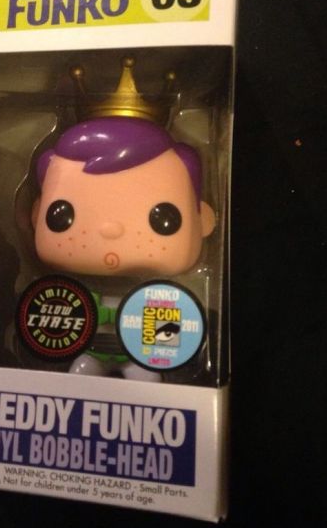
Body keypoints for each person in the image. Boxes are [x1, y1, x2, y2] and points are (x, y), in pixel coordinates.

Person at [32, 114, 214, 379]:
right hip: (89, 352)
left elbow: (173, 329)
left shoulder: (164, 298)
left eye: (162, 218)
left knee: (148, 380)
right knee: (79, 378)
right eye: (62, 214)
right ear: (36, 215)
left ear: (204, 219)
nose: (111, 229)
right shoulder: (66, 297)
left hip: (144, 354)